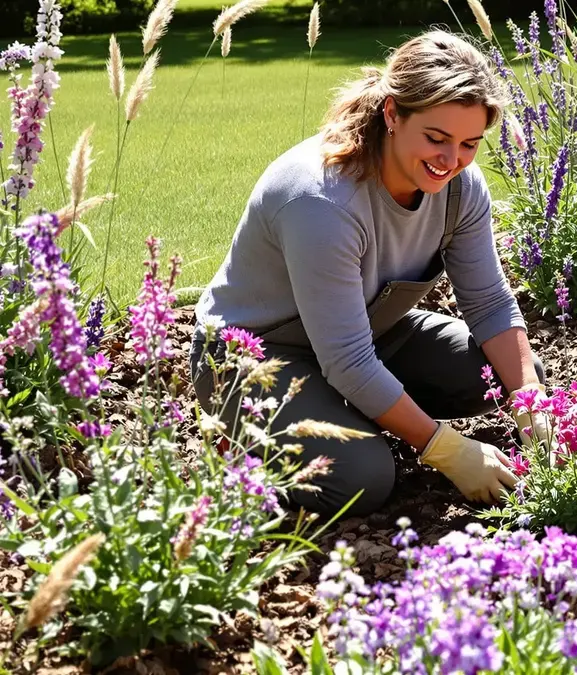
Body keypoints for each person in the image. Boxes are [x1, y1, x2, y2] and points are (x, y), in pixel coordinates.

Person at [189, 30, 549, 517]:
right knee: (364, 478)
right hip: (253, 357)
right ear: (394, 114)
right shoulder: (321, 200)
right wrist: (446, 449)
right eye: (436, 138)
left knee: (498, 372)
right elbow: (349, 360)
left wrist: (534, 404)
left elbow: (488, 303)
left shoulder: (461, 189)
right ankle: (251, 445)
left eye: (469, 143)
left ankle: (354, 413)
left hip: (367, 334)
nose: (451, 161)